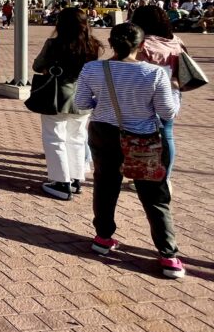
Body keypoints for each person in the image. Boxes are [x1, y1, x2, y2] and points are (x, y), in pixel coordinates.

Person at [74, 23, 184, 278]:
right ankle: (168, 255)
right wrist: (175, 93)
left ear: (111, 43)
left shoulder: (91, 69)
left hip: (103, 132)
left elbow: (81, 104)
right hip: (142, 137)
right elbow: (167, 112)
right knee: (153, 194)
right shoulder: (155, 74)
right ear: (142, 45)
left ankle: (103, 237)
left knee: (105, 184)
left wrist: (102, 103)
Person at [32, 8, 100, 200]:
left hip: (57, 96)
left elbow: (37, 66)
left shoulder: (54, 44)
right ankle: (76, 179)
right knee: (77, 137)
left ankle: (61, 182)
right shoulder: (92, 45)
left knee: (54, 137)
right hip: (84, 97)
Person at [132, 5, 186, 176]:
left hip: (148, 94)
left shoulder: (144, 44)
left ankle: (147, 171)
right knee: (167, 134)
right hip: (173, 91)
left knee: (144, 136)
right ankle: (165, 175)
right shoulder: (176, 41)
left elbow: (137, 71)